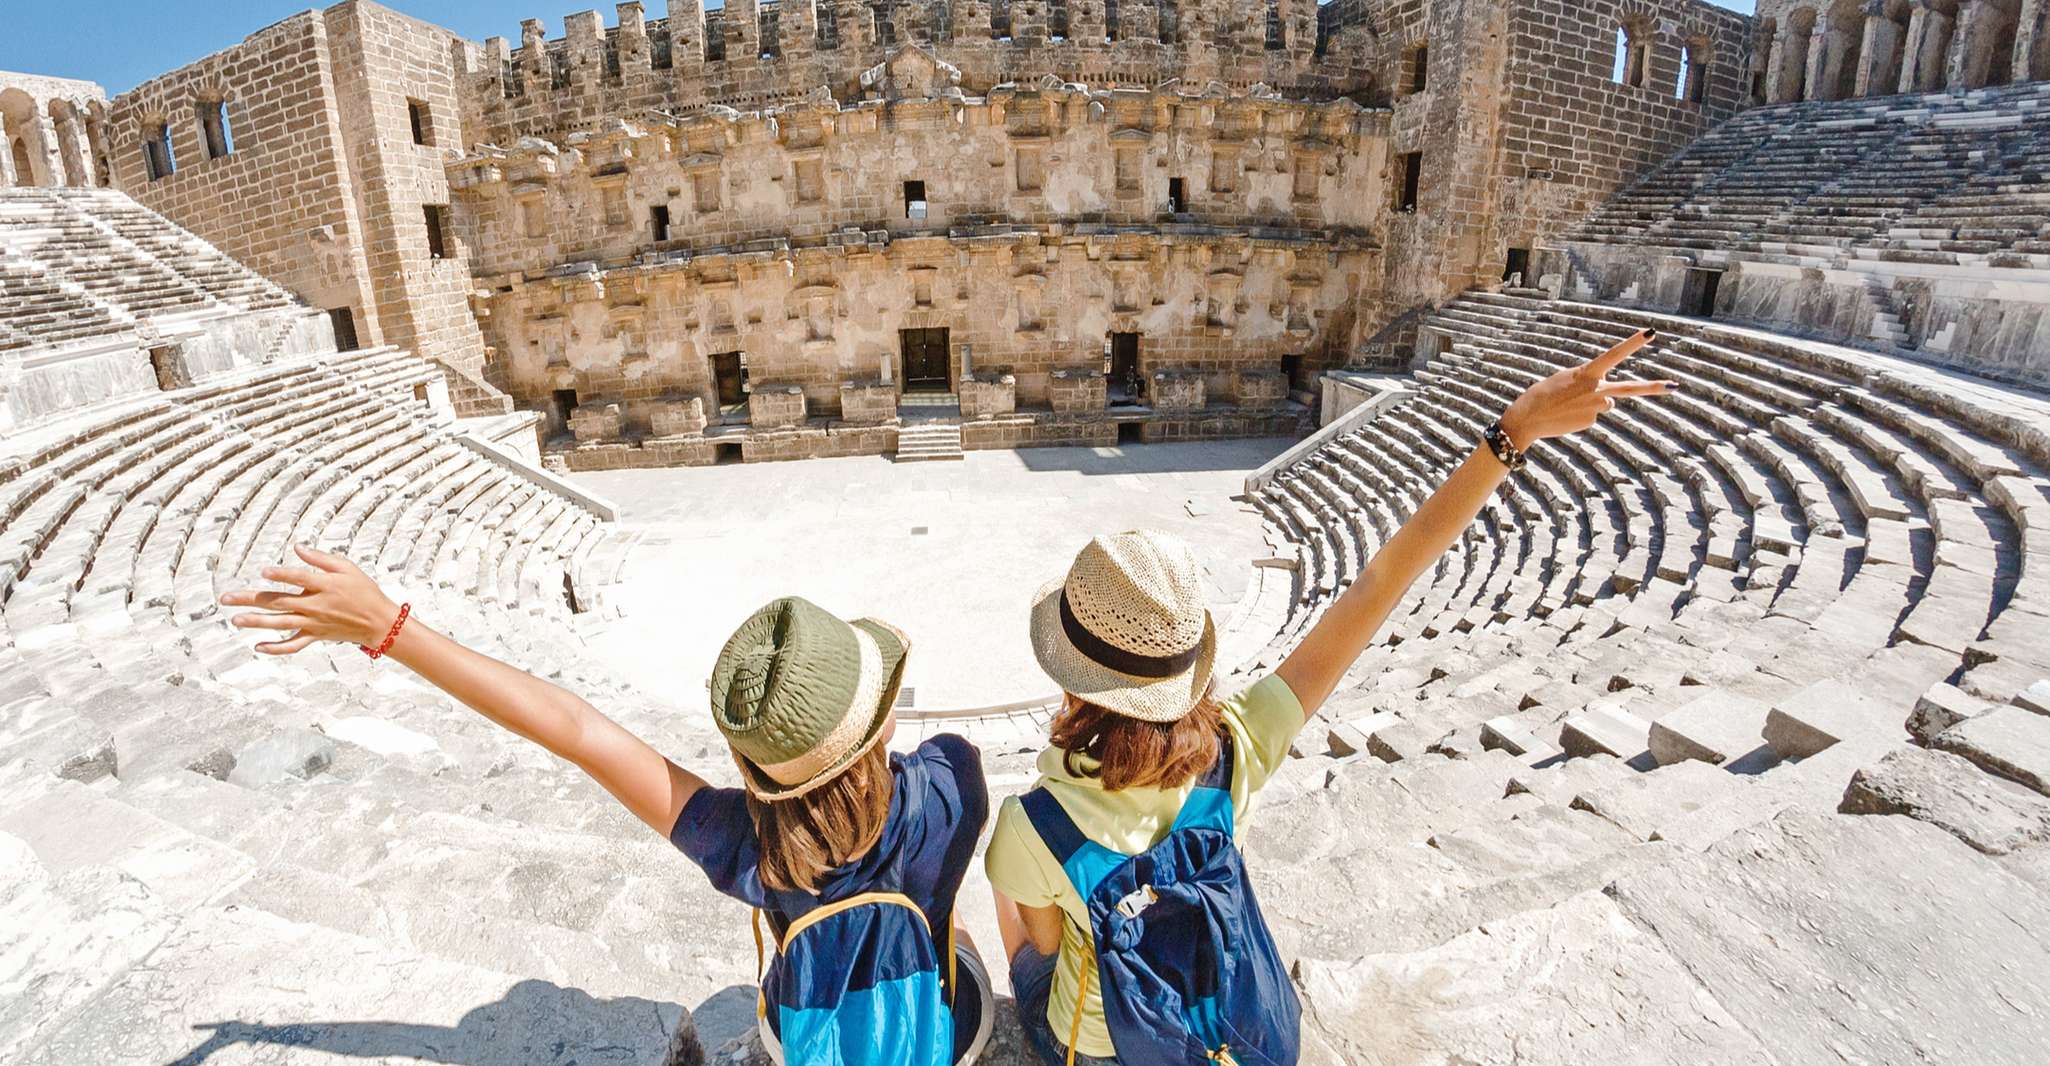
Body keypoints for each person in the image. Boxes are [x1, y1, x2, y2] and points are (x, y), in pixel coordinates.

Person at [985, 329, 1673, 1065]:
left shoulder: (1033, 824)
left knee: (1020, 933)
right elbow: (1381, 583)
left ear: (1073, 678)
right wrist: (1511, 435)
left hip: (1108, 1044)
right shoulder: (1238, 746)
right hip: (1226, 1014)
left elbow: (1046, 951)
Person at [221, 564, 993, 1066]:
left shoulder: (743, 844)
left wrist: (390, 628)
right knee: (953, 928)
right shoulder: (954, 784)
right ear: (883, 723)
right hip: (942, 1034)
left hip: (801, 1038)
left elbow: (577, 731)